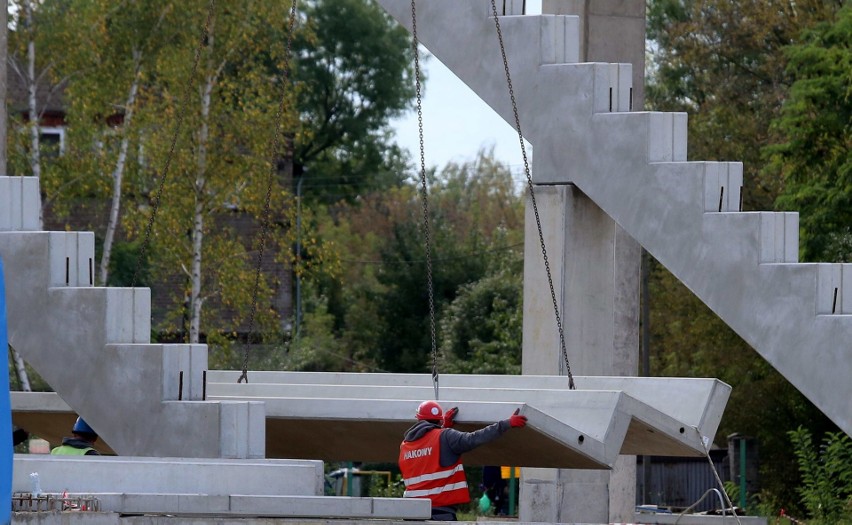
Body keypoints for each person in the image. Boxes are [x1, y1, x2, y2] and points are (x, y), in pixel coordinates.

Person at [398, 400, 527, 521]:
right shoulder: (446, 437)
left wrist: (444, 428)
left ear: (418, 419)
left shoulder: (406, 445)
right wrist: (506, 424)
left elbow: (428, 454)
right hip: (440, 513)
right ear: (439, 419)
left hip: (412, 513)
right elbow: (475, 438)